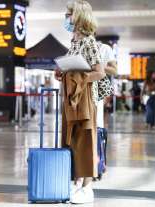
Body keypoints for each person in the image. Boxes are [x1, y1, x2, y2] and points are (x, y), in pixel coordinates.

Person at [55, 0, 105, 204]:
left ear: (79, 17)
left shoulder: (90, 42)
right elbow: (74, 69)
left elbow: (99, 73)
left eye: (69, 13)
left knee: (85, 140)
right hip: (71, 99)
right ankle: (77, 183)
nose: (66, 17)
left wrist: (79, 79)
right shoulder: (74, 41)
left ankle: (87, 187)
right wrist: (63, 73)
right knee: (72, 139)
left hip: (84, 100)